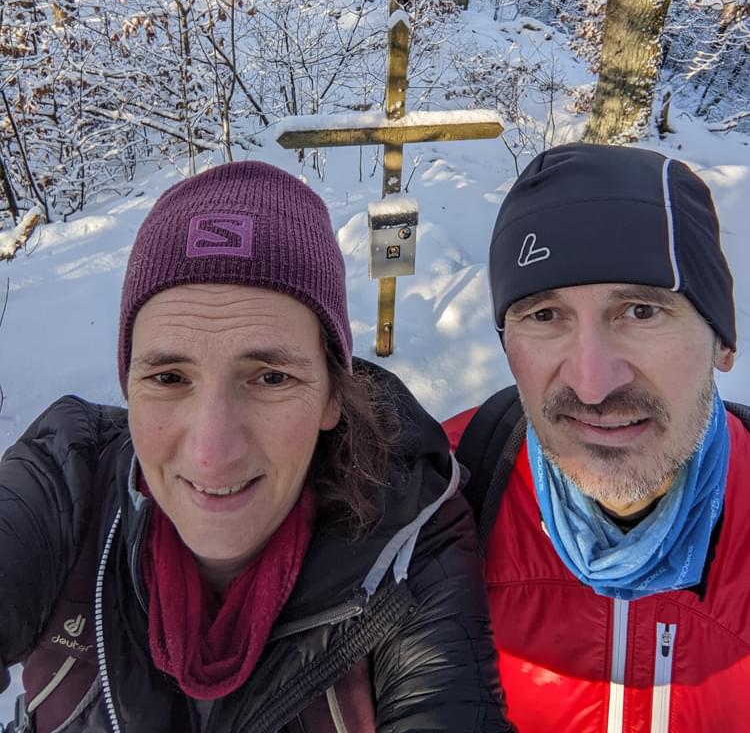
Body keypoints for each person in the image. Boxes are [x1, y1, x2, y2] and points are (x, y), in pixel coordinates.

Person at [0, 160, 511, 733]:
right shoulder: (66, 480)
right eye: (169, 378)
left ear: (332, 396)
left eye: (271, 377)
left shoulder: (410, 538)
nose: (212, 451)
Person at [445, 142, 750, 733]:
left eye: (640, 311)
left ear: (722, 341)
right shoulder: (427, 505)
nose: (592, 384)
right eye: (544, 316)